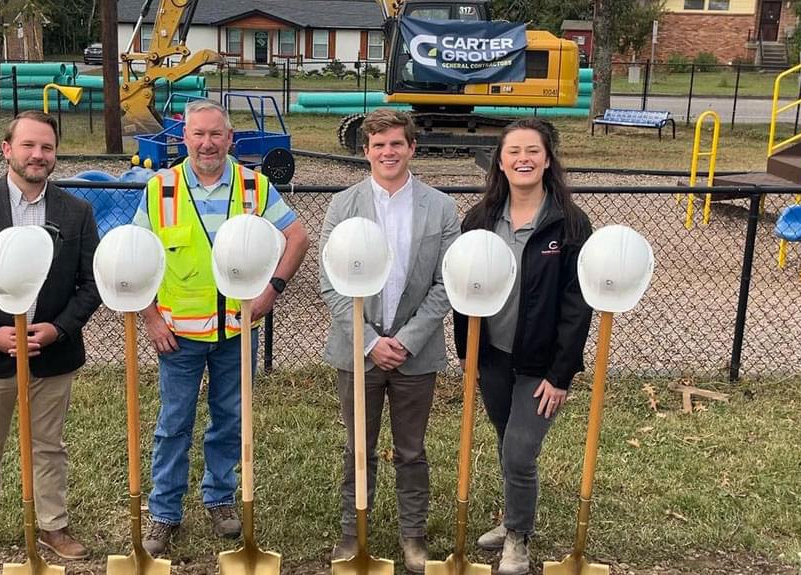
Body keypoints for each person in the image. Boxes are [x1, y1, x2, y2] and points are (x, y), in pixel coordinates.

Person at [134, 99, 310, 555]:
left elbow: (298, 236)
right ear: (184, 138)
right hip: (178, 335)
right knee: (174, 424)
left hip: (237, 331)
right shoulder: (160, 188)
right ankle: (164, 512)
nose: (207, 143)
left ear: (230, 139)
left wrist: (273, 289)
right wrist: (150, 316)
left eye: (216, 134)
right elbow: (133, 256)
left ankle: (220, 499)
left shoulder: (255, 186)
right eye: (198, 134)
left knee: (230, 420)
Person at [0, 110, 102, 566]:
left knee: (49, 445)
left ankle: (53, 527)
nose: (38, 155)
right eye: (28, 145)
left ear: (55, 155)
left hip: (51, 355)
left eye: (47, 147)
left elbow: (92, 284)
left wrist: (58, 328)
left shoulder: (76, 212)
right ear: (7, 149)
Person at [320, 108, 460, 574]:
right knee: (357, 445)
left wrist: (407, 339)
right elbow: (331, 283)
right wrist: (368, 342)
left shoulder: (440, 207)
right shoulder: (343, 206)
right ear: (366, 152)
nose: (388, 152)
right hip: (358, 353)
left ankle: (413, 535)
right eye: (378, 145)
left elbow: (446, 283)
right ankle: (351, 530)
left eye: (396, 144)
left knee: (411, 450)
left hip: (414, 354)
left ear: (412, 148)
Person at [453, 118, 593, 575]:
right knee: (505, 439)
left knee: (519, 449)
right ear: (500, 160)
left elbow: (578, 305)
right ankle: (512, 516)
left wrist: (561, 374)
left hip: (541, 364)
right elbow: (463, 286)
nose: (523, 159)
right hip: (492, 354)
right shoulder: (480, 219)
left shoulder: (570, 223)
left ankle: (518, 538)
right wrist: (466, 352)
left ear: (548, 159)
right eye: (513, 151)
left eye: (532, 150)